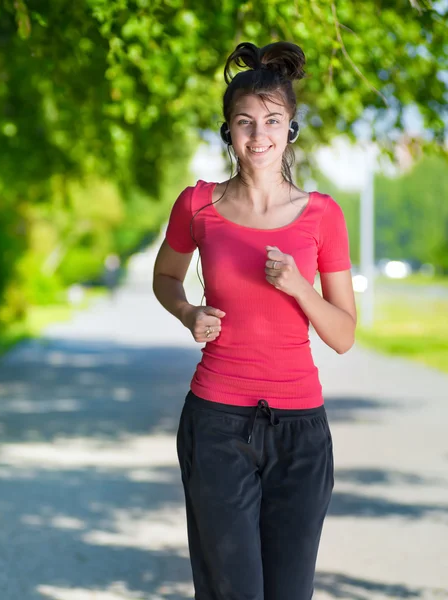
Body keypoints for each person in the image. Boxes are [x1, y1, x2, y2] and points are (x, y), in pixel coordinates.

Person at [152, 41, 357, 600]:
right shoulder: (197, 205)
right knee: (230, 591)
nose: (258, 134)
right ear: (228, 131)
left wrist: (299, 287)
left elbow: (342, 335)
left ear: (291, 128)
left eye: (272, 120)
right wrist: (188, 312)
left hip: (301, 433)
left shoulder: (323, 215)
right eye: (244, 122)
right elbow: (165, 278)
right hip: (217, 422)